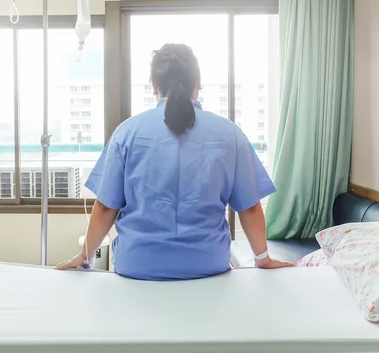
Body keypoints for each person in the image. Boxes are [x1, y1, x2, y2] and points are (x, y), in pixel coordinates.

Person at [56, 43, 293, 280]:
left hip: (137, 268)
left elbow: (106, 206)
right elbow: (249, 207)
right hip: (207, 267)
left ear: (153, 86)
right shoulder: (230, 134)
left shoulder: (127, 133)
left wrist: (85, 256)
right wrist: (263, 259)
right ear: (198, 83)